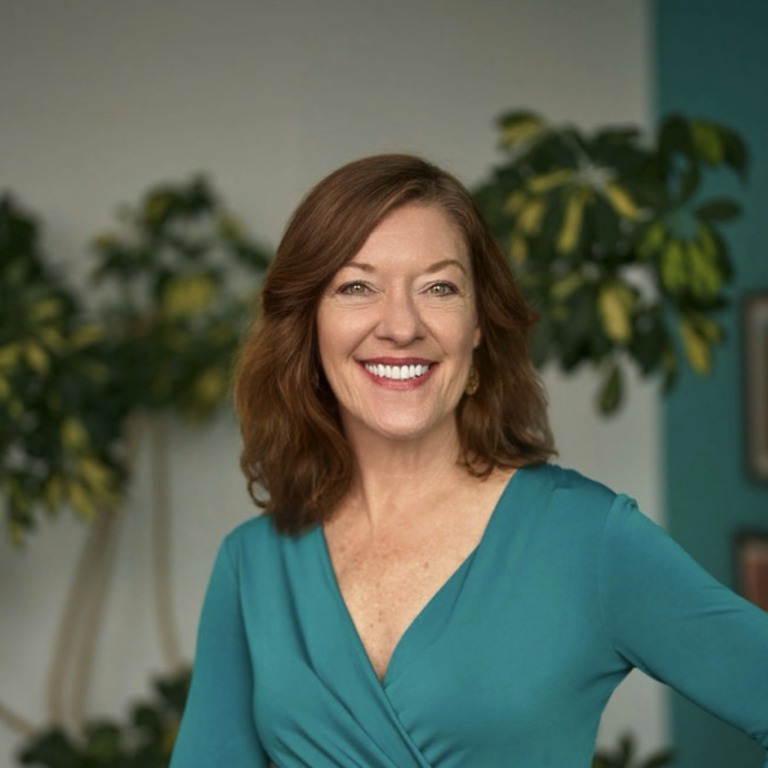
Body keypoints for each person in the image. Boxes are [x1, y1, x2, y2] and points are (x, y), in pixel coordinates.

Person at [169, 155, 768, 768]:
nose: (400, 326)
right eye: (356, 286)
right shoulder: (252, 564)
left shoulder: (589, 540)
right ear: (309, 321)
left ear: (478, 323)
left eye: (439, 287)